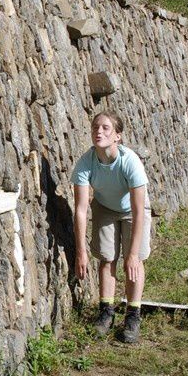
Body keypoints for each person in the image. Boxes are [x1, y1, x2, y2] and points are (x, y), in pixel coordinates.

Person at [71, 111, 151, 343]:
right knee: (107, 258)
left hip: (132, 210)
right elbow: (81, 209)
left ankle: (133, 315)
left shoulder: (130, 161)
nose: (99, 131)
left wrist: (133, 253)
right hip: (105, 207)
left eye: (106, 128)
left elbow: (138, 211)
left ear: (118, 136)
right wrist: (81, 252)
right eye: (96, 127)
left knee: (133, 263)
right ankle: (106, 313)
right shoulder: (86, 163)